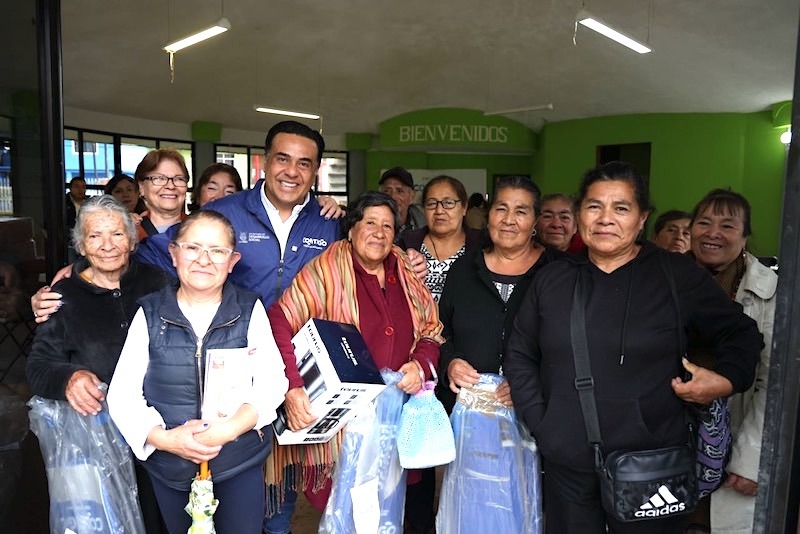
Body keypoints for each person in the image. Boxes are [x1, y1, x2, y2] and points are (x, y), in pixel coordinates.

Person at [504, 161, 763, 534]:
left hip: (653, 462)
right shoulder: (553, 279)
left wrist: (724, 380)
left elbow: (742, 333)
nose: (605, 218)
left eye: (620, 208)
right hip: (569, 465)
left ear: (642, 218)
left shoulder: (675, 275)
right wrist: (544, 424)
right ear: (580, 215)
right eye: (594, 206)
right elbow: (521, 352)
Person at [265, 191, 442, 527]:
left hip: (395, 418)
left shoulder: (404, 267)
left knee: (388, 508)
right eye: (370, 223)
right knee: (345, 512)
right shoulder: (327, 269)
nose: (379, 232)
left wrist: (420, 363)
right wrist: (293, 384)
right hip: (346, 424)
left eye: (388, 226)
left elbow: (432, 329)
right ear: (351, 228)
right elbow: (280, 319)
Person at [107, 210, 288, 533]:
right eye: (193, 248)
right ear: (174, 253)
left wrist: (228, 430)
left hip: (237, 461)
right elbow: (123, 394)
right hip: (171, 465)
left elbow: (272, 382)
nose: (204, 260)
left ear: (232, 260)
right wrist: (165, 439)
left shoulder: (249, 308)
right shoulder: (150, 312)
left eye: (217, 251)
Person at [25, 195, 172, 531]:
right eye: (95, 236)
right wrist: (69, 377)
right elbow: (38, 365)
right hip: (99, 442)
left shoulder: (158, 283)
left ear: (132, 241)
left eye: (117, 234)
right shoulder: (62, 297)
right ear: (81, 244)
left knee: (160, 519)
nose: (107, 245)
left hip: (159, 432)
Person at [688, 189, 776, 534]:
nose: (713, 233)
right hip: (673, 439)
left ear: (744, 237)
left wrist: (751, 460)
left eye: (727, 225)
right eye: (704, 222)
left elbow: (773, 382)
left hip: (734, 445)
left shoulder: (770, 292)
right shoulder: (669, 279)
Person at [439, 175, 560, 412]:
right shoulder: (463, 269)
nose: (508, 220)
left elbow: (572, 347)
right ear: (488, 215)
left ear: (535, 220)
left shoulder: (557, 271)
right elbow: (439, 331)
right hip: (466, 412)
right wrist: (449, 363)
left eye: (521, 212)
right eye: (501, 209)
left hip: (538, 414)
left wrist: (533, 381)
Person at [399, 175, 484, 302]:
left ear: (464, 207)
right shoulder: (406, 244)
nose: (439, 210)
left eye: (448, 203)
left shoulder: (481, 245)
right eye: (431, 203)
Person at [134, 148, 190, 240]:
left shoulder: (201, 229)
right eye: (159, 178)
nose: (171, 186)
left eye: (179, 179)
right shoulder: (129, 233)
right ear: (141, 187)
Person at [379, 166, 426, 235]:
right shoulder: (370, 226)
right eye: (387, 191)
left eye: (399, 191)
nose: (393, 197)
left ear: (411, 196)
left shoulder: (424, 228)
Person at [65, 176, 87, 262]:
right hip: (70, 242)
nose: (80, 190)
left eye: (83, 187)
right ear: (70, 188)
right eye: (77, 187)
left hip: (85, 240)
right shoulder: (64, 202)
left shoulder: (89, 203)